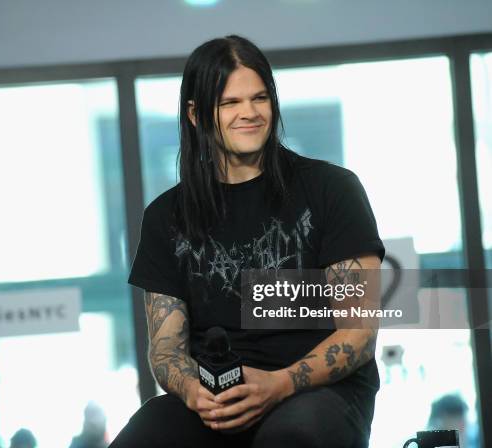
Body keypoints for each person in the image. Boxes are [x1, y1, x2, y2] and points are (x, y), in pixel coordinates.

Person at [111, 35, 384, 448]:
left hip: (319, 395)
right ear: (196, 114)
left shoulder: (331, 189)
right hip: (218, 402)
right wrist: (192, 392)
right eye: (230, 103)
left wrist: (278, 384)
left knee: (289, 437)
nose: (250, 113)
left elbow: (359, 333)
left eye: (260, 98)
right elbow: (166, 352)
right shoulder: (165, 217)